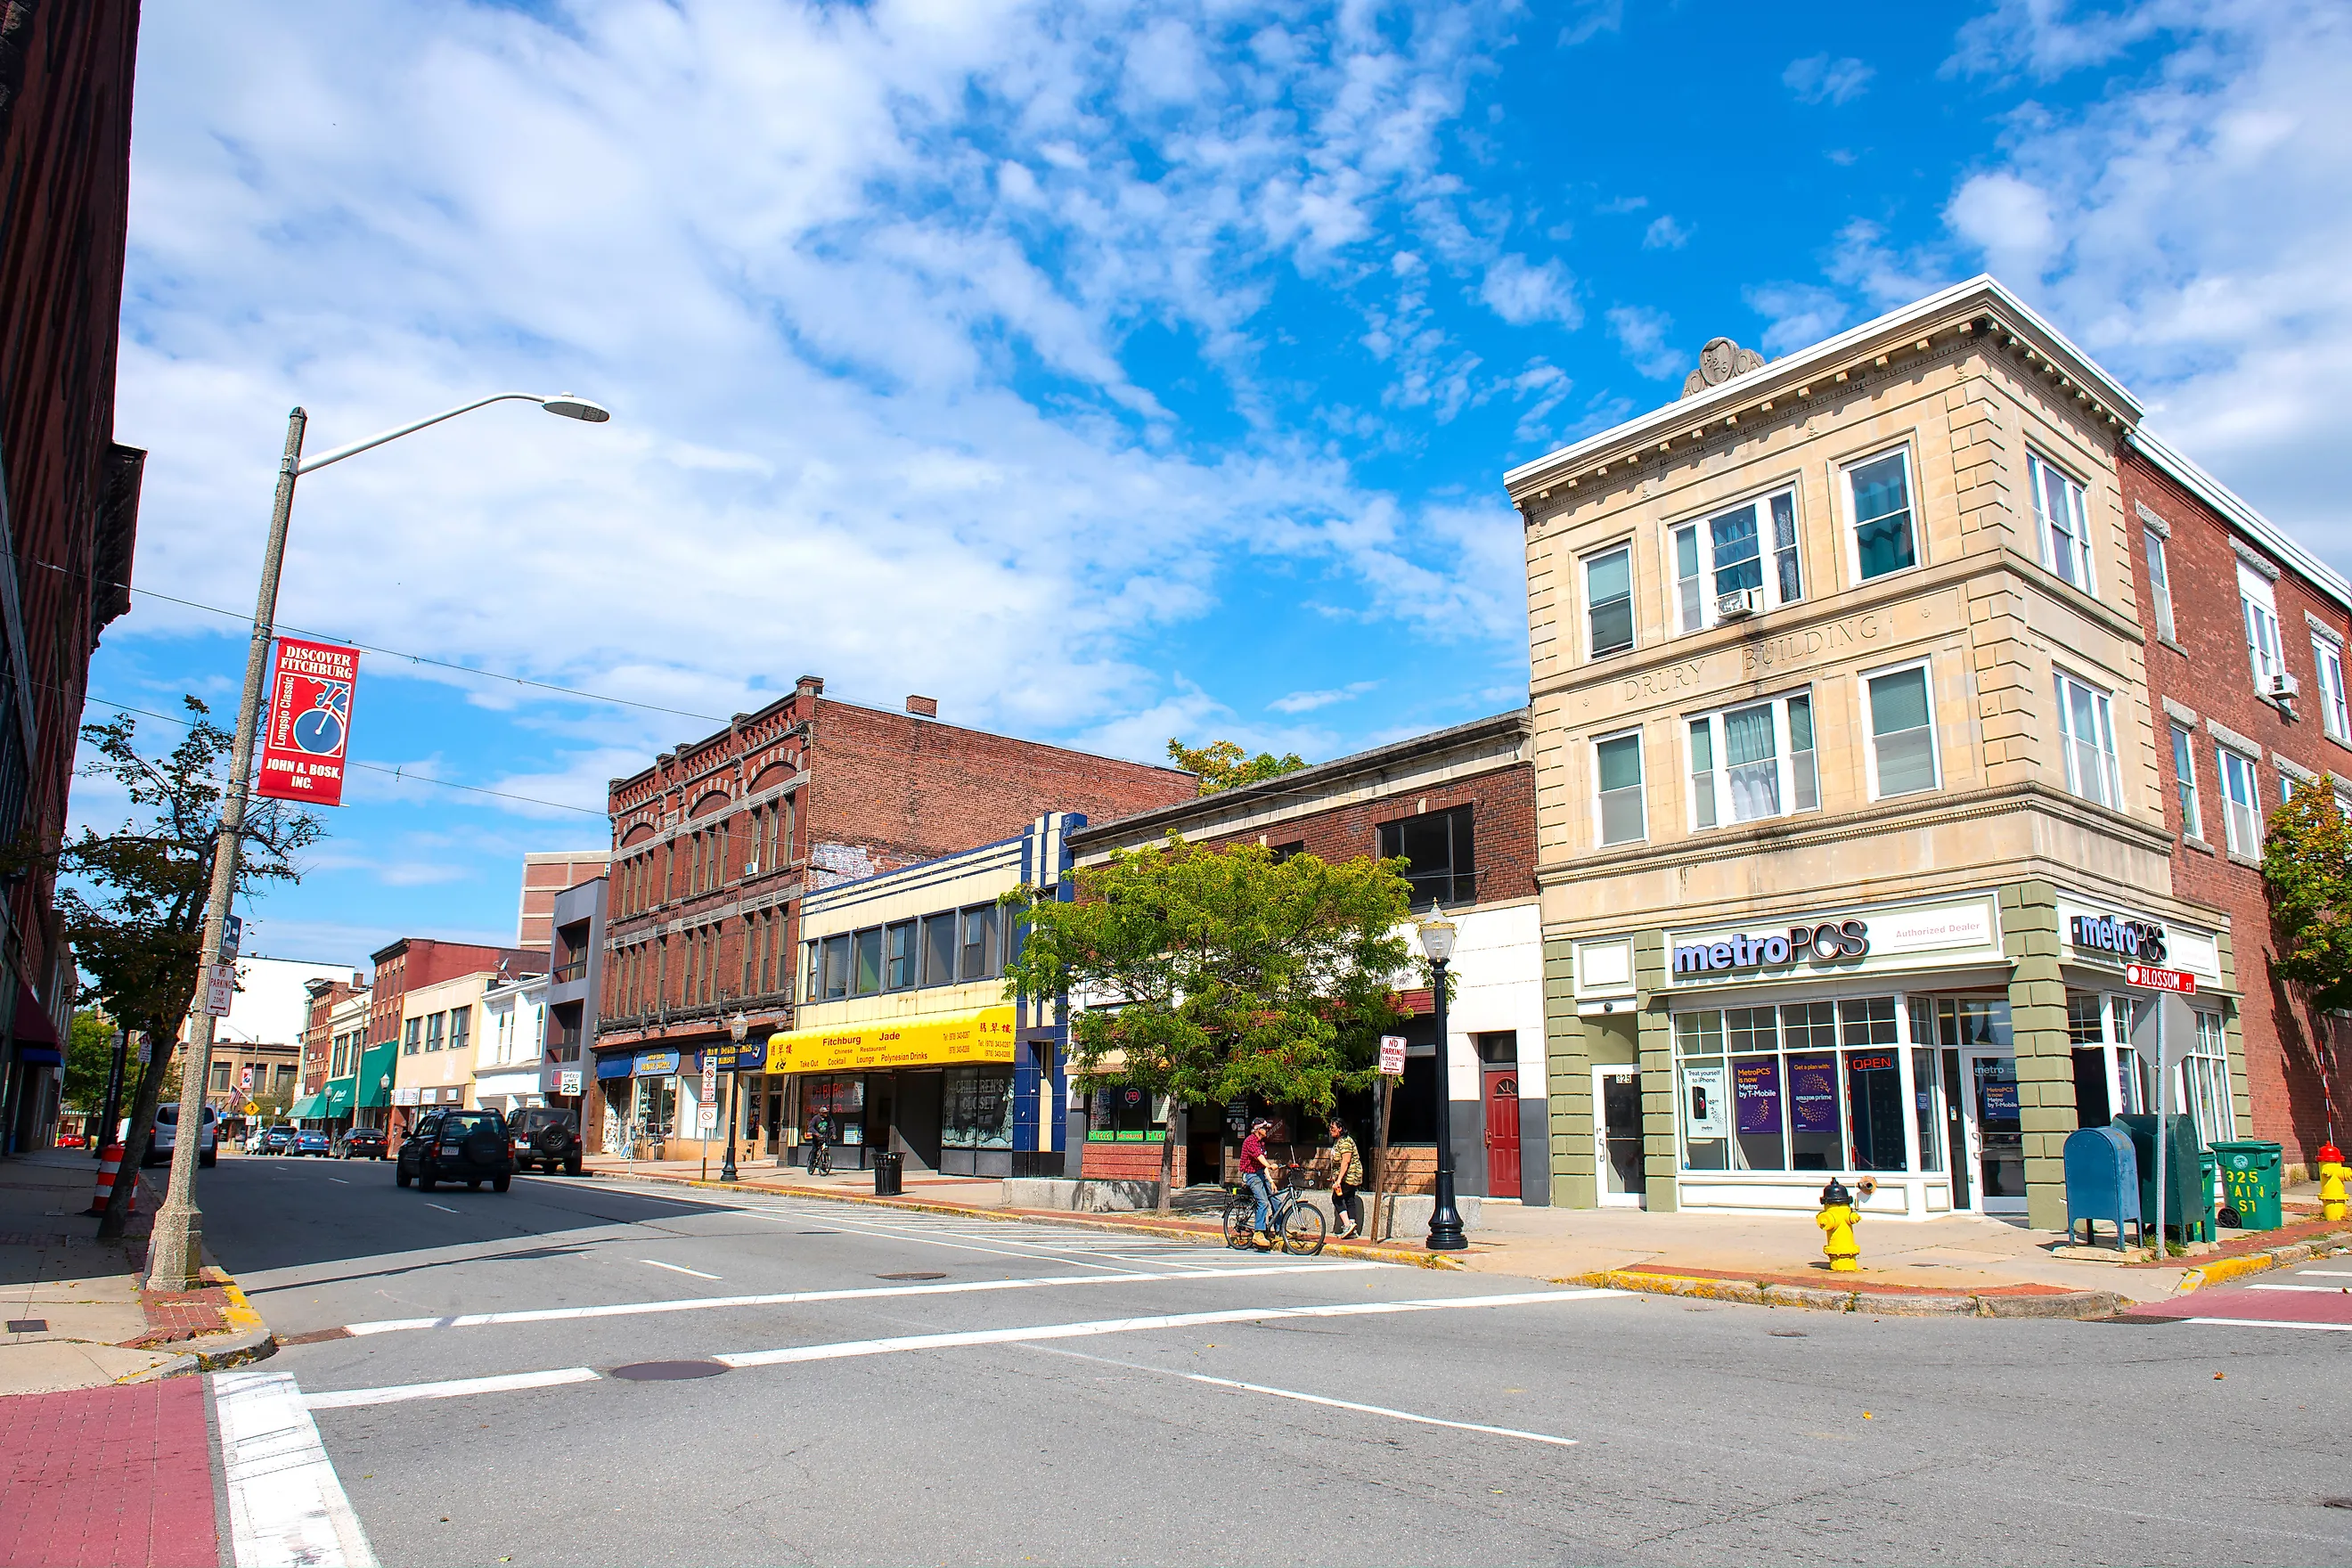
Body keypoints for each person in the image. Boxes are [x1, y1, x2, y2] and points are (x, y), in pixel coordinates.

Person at [1239, 1117, 1280, 1247]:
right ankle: (1258, 1233)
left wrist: (1271, 1181)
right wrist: (1269, 1165)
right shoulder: (1250, 1141)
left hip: (1260, 1174)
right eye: (1265, 1128)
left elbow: (1262, 1167)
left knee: (1276, 1200)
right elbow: (1260, 1158)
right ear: (1258, 1129)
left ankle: (1279, 1231)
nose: (1267, 1130)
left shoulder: (1261, 1142)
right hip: (1251, 1175)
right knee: (1263, 1201)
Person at [1327, 1116, 1364, 1239]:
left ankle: (1347, 1225)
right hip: (1345, 1176)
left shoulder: (1346, 1142)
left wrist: (1338, 1180)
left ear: (1340, 1128)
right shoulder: (1339, 1141)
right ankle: (1352, 1229)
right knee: (1349, 1199)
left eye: (1333, 1128)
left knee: (1336, 1198)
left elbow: (1346, 1162)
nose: (1331, 1130)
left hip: (1350, 1176)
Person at [807, 1109, 833, 1174]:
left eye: (826, 1112)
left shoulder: (828, 1118)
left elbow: (832, 1126)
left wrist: (834, 1134)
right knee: (815, 1150)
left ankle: (823, 1166)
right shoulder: (816, 1118)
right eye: (824, 1113)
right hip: (816, 1138)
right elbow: (811, 1127)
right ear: (821, 1113)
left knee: (825, 1150)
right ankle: (811, 1165)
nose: (826, 1114)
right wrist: (816, 1133)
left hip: (824, 1137)